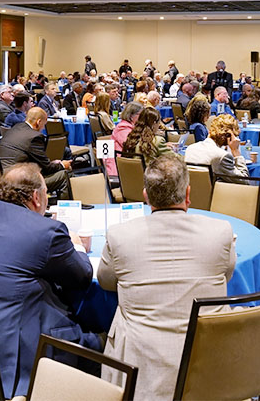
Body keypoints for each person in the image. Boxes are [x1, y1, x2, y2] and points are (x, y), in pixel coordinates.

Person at [0, 164, 100, 398]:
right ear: (37, 197)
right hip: (15, 352)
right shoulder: (47, 232)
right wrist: (78, 244)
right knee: (98, 340)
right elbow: (81, 277)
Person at [98, 155, 236, 399]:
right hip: (208, 362)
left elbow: (106, 281)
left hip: (140, 366)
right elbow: (227, 274)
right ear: (188, 193)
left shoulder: (119, 235)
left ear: (146, 196)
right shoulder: (221, 231)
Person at [0, 107, 71, 195]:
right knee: (65, 175)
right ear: (38, 122)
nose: (43, 128)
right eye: (44, 125)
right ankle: (62, 207)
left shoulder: (15, 128)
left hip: (0, 175)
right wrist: (62, 165)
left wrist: (52, 163)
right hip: (18, 182)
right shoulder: (35, 137)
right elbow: (48, 169)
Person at [185, 113, 249, 178]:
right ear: (228, 136)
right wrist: (236, 152)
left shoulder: (190, 148)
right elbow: (244, 179)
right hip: (214, 188)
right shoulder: (222, 156)